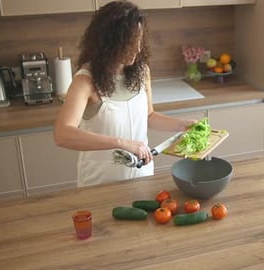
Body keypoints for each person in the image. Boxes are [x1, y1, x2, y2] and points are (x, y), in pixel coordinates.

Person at [53, 0, 195, 187]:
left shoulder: (142, 71)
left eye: (139, 40)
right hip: (99, 183)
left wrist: (182, 125)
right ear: (109, 42)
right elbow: (62, 135)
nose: (137, 48)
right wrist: (122, 143)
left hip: (142, 177)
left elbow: (149, 116)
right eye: (129, 42)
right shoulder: (85, 81)